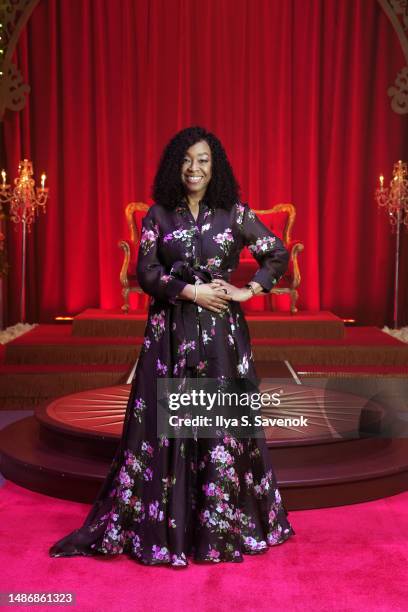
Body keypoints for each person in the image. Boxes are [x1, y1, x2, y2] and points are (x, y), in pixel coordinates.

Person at [49, 126, 296, 566]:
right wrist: (190, 291)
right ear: (174, 166)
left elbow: (276, 251)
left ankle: (218, 528)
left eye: (202, 159)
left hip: (222, 340)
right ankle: (170, 528)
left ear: (214, 165)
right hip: (170, 336)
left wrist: (249, 290)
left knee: (218, 428)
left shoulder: (234, 213)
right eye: (186, 160)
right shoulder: (159, 216)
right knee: (170, 427)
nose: (194, 168)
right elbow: (145, 273)